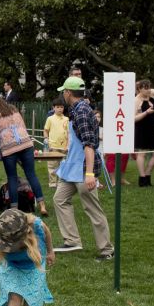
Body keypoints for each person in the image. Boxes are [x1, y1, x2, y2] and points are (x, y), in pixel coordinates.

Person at [52, 76, 113, 257]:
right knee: (59, 199)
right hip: (72, 168)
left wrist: (89, 174)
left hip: (82, 169)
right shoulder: (77, 109)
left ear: (69, 93)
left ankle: (107, 250)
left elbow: (89, 145)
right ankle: (71, 241)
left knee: (93, 209)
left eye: (64, 91)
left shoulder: (82, 112)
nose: (63, 94)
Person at [0, 96, 49, 217]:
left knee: (12, 177)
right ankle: (42, 206)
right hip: (25, 143)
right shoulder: (13, 108)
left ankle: (14, 209)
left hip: (8, 147)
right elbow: (23, 125)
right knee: (31, 174)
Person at [133, 80, 154, 187]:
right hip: (141, 129)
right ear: (139, 89)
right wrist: (146, 112)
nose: (148, 89)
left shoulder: (152, 95)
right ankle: (142, 179)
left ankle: (147, 173)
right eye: (145, 88)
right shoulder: (136, 100)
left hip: (152, 130)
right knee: (142, 154)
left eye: (148, 87)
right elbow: (133, 119)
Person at [43, 99, 69, 188]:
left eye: (61, 107)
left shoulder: (66, 119)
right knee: (52, 165)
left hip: (64, 146)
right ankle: (53, 183)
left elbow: (69, 132)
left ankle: (62, 182)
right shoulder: (50, 119)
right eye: (57, 107)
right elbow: (46, 130)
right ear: (53, 108)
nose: (60, 109)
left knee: (63, 165)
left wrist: (68, 144)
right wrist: (46, 139)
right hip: (53, 145)